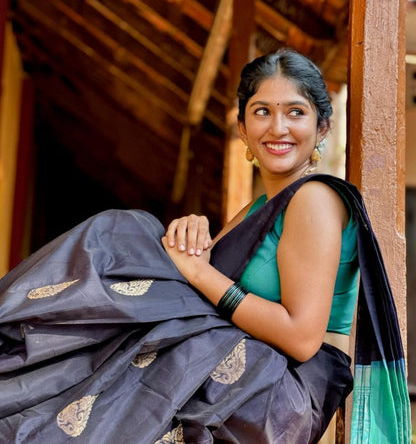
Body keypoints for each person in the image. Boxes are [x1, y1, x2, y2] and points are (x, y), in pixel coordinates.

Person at [0, 50, 410, 443]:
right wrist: (191, 233)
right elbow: (192, 285)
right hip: (233, 376)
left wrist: (199, 270)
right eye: (262, 111)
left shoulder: (314, 199)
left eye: (296, 112)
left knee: (121, 233)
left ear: (322, 127)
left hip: (274, 394)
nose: (278, 128)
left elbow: (301, 337)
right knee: (123, 237)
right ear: (242, 129)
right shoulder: (259, 207)